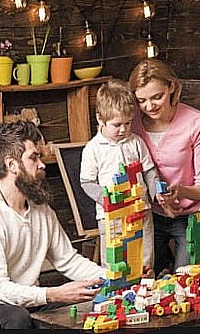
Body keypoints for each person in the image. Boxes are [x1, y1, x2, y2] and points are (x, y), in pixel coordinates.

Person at [0, 121, 106, 330]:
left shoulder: (40, 208)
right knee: (17, 320)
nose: (42, 164)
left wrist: (112, 278)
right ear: (11, 165)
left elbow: (68, 260)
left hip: (24, 301)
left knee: (89, 304)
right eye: (34, 157)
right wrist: (51, 294)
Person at [129, 58, 200, 278]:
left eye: (157, 97)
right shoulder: (132, 124)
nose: (149, 107)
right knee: (145, 281)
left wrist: (180, 191)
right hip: (149, 216)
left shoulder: (197, 122)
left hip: (189, 217)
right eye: (142, 100)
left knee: (186, 282)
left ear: (171, 87)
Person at [80, 78, 158, 276]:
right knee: (115, 259)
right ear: (100, 119)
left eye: (128, 123)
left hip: (140, 210)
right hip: (111, 216)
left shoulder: (136, 142)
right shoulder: (93, 149)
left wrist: (157, 193)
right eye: (117, 125)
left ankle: (145, 288)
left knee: (144, 255)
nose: (123, 130)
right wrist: (107, 198)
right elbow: (87, 182)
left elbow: (148, 170)